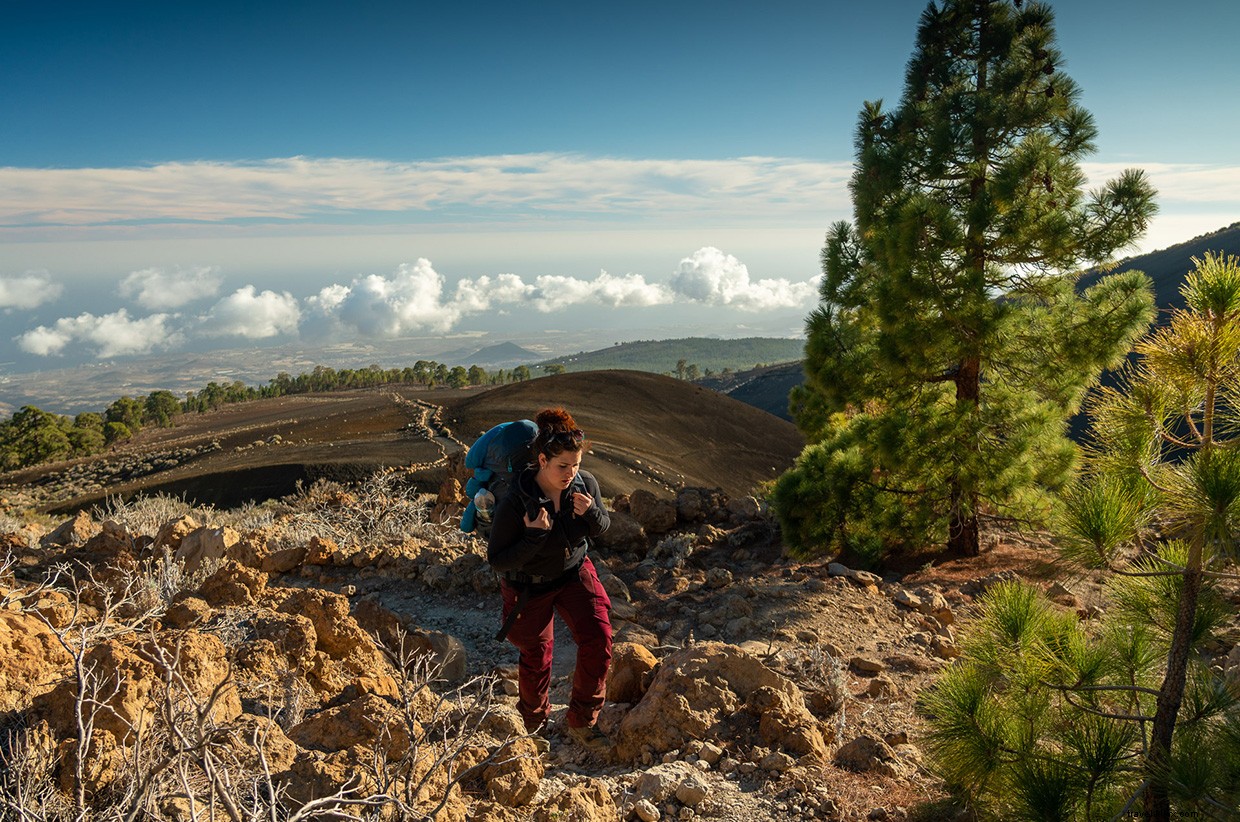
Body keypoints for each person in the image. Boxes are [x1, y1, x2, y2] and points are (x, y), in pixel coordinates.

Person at [487, 406, 613, 755]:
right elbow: (497, 559)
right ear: (542, 459)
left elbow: (602, 528)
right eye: (562, 466)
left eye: (575, 465)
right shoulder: (516, 500)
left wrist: (591, 512)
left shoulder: (585, 484)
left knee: (599, 637)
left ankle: (583, 721)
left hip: (573, 572)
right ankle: (533, 727)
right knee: (536, 655)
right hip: (529, 586)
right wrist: (531, 537)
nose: (571, 473)